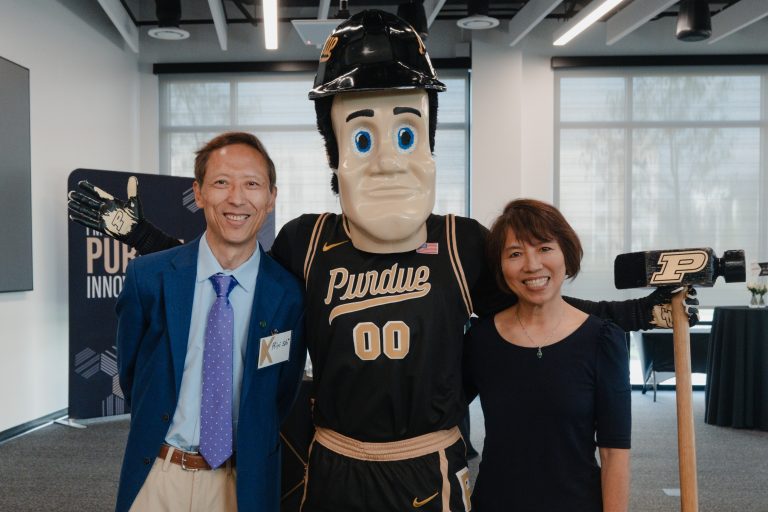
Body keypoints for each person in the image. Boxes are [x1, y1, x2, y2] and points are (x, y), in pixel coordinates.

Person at [68, 11, 694, 512]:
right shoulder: (308, 243)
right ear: (335, 150)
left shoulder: (461, 242)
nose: (388, 159)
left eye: (405, 134)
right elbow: (228, 274)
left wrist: (640, 312)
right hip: (335, 466)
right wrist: (141, 236)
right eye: (363, 137)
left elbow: (539, 302)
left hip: (430, 469)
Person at [113, 132, 305, 512]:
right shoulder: (148, 279)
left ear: (271, 197)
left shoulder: (288, 295)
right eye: (221, 183)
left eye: (252, 184)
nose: (237, 198)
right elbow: (132, 376)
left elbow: (280, 394)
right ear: (198, 193)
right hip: (159, 475)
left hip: (241, 482)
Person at [464, 198, 631, 512]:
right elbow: (437, 411)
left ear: (566, 253)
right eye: (515, 254)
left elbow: (614, 454)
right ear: (500, 266)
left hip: (576, 503)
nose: (531, 265)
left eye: (544, 248)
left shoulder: (603, 341)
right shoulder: (481, 339)